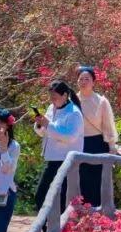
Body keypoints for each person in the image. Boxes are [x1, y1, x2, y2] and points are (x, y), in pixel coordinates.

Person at [33, 81, 85, 211]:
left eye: (55, 97)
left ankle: (57, 230)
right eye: (51, 97)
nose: (52, 100)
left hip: (65, 161)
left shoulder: (74, 113)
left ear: (65, 95)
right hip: (51, 159)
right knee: (41, 196)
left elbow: (69, 136)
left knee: (58, 199)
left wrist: (48, 124)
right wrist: (40, 124)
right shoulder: (52, 108)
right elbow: (43, 133)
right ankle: (49, 230)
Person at [76, 66, 118, 208]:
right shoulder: (72, 100)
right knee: (81, 180)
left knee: (97, 180)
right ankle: (81, 214)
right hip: (79, 144)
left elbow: (108, 125)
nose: (83, 82)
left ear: (93, 81)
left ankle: (98, 214)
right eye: (80, 79)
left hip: (97, 143)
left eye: (87, 79)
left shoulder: (101, 101)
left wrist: (112, 146)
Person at [0, 109, 21, 232]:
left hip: (4, 196)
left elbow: (7, 170)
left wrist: (4, 148)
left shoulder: (14, 146)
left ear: (7, 125)